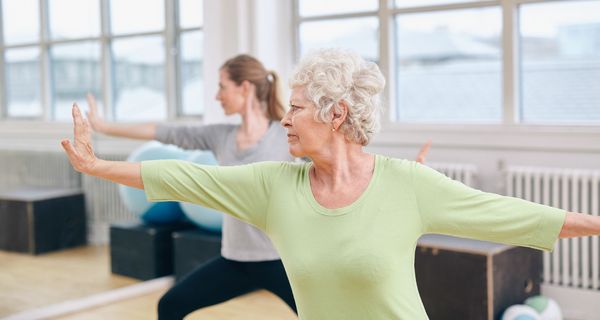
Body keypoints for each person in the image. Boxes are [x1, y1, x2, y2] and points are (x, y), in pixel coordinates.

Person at [60, 48, 598, 320]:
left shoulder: (405, 184)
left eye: (295, 109)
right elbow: (186, 176)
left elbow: (512, 215)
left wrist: (596, 224)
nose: (285, 120)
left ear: (336, 114)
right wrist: (98, 165)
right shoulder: (274, 187)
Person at [87, 55, 297, 319]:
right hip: (235, 258)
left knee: (319, 314)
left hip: (281, 260)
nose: (217, 96)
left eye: (222, 87)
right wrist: (105, 127)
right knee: (170, 305)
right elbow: (166, 132)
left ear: (244, 87)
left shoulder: (285, 134)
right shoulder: (221, 136)